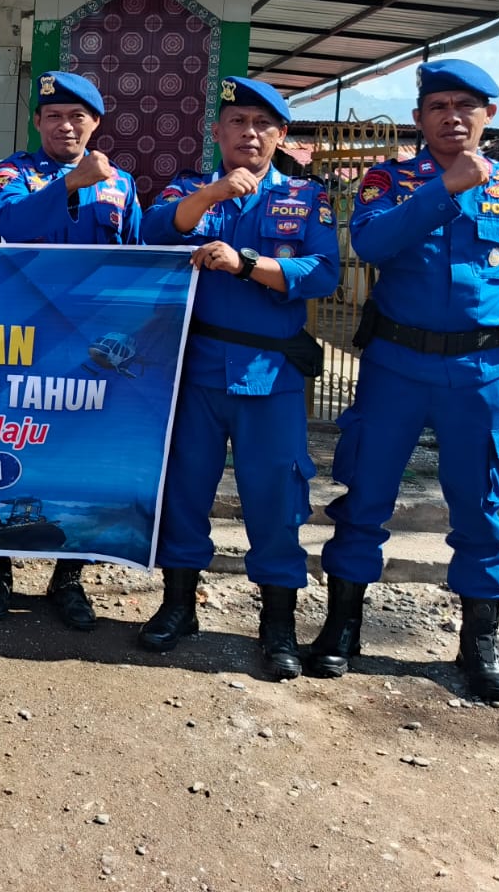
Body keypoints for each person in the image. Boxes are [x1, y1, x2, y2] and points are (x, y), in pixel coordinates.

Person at [308, 59, 499, 703]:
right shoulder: (389, 180)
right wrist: (444, 190)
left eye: (465, 106)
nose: (452, 117)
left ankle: (479, 643)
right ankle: (342, 626)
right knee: (365, 495)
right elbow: (373, 245)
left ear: (488, 115)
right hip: (396, 365)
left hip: (483, 372)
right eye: (438, 106)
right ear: (418, 118)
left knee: (481, 507)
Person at [138, 76, 339, 681]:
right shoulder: (191, 190)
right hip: (194, 371)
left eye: (262, 125)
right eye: (237, 123)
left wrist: (247, 263)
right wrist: (215, 192)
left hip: (269, 375)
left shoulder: (305, 197)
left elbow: (322, 272)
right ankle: (179, 606)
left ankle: (277, 625)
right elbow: (152, 231)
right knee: (184, 491)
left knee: (275, 499)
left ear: (280, 135)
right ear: (218, 132)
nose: (249, 133)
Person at [0, 70, 144, 631]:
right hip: (25, 345)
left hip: (92, 349)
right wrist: (72, 183)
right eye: (53, 116)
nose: (65, 126)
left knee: (84, 458)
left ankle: (68, 578)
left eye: (77, 116)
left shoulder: (122, 184)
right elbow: (11, 224)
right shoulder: (13, 172)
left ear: (95, 123)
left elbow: (139, 260)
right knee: (11, 450)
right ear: (37, 122)